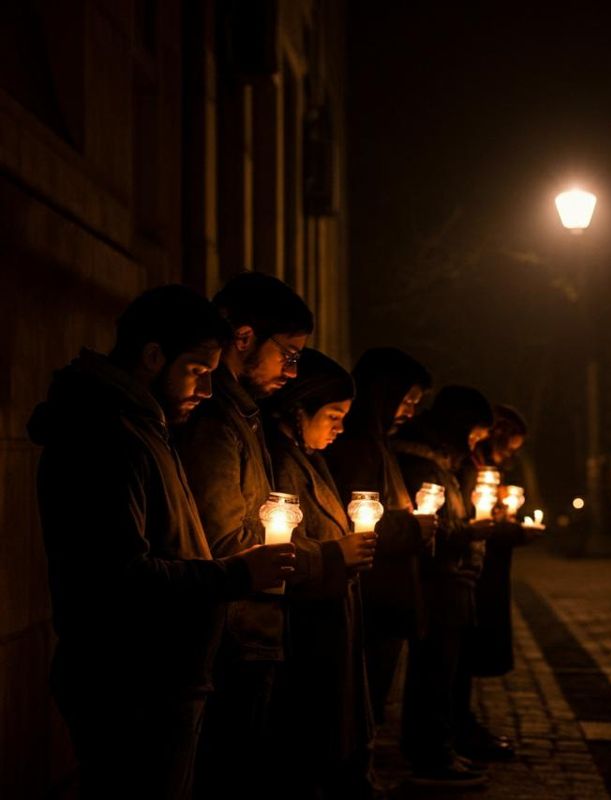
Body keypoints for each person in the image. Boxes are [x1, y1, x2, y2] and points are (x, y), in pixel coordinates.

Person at [28, 285, 295, 798]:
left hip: (160, 676)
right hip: (131, 682)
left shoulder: (143, 427)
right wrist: (237, 572)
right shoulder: (107, 436)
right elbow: (120, 575)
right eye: (197, 370)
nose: (207, 390)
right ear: (153, 356)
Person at [176, 271, 314, 798]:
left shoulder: (243, 415)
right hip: (231, 637)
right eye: (288, 354)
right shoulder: (214, 419)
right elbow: (222, 542)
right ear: (244, 337)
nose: (292, 371)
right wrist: (316, 558)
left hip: (248, 631)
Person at [263, 351, 375, 798]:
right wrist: (335, 554)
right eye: (333, 415)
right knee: (305, 749)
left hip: (328, 618)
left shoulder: (309, 458)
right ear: (299, 409)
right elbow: (280, 546)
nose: (340, 428)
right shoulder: (282, 464)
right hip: (305, 628)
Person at [323, 349, 437, 732]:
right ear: (384, 394)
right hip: (372, 599)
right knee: (360, 706)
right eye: (407, 401)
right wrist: (415, 529)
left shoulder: (378, 443)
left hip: (383, 598)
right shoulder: (358, 446)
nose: (410, 413)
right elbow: (359, 521)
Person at [392, 387, 495, 788]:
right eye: (473, 435)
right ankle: (430, 753)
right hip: (437, 580)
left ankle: (441, 747)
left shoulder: (444, 463)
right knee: (433, 671)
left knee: (446, 670)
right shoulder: (423, 463)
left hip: (453, 577)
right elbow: (430, 527)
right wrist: (469, 531)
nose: (473, 446)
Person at [458, 405, 535, 762]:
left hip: (487, 565)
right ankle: (455, 726)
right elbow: (469, 516)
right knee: (461, 651)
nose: (511, 456)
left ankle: (462, 721)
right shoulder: (469, 463)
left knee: (466, 652)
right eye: (510, 447)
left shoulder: (484, 465)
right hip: (471, 567)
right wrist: (509, 530)